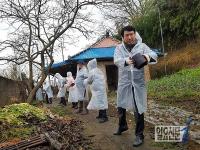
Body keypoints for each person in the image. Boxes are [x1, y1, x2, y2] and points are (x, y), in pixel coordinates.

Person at [113, 25, 157, 147]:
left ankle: (139, 135)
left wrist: (146, 57)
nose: (130, 37)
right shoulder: (119, 48)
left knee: (139, 108)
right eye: (127, 35)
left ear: (135, 34)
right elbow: (116, 60)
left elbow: (154, 55)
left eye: (132, 34)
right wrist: (125, 61)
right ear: (123, 37)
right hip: (124, 82)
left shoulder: (142, 46)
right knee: (120, 105)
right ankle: (122, 126)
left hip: (138, 83)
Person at [84, 59, 108, 123]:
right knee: (100, 102)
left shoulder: (92, 72)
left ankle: (104, 117)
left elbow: (89, 81)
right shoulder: (98, 70)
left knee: (101, 103)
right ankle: (100, 115)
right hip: (100, 90)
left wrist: (85, 80)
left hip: (98, 90)